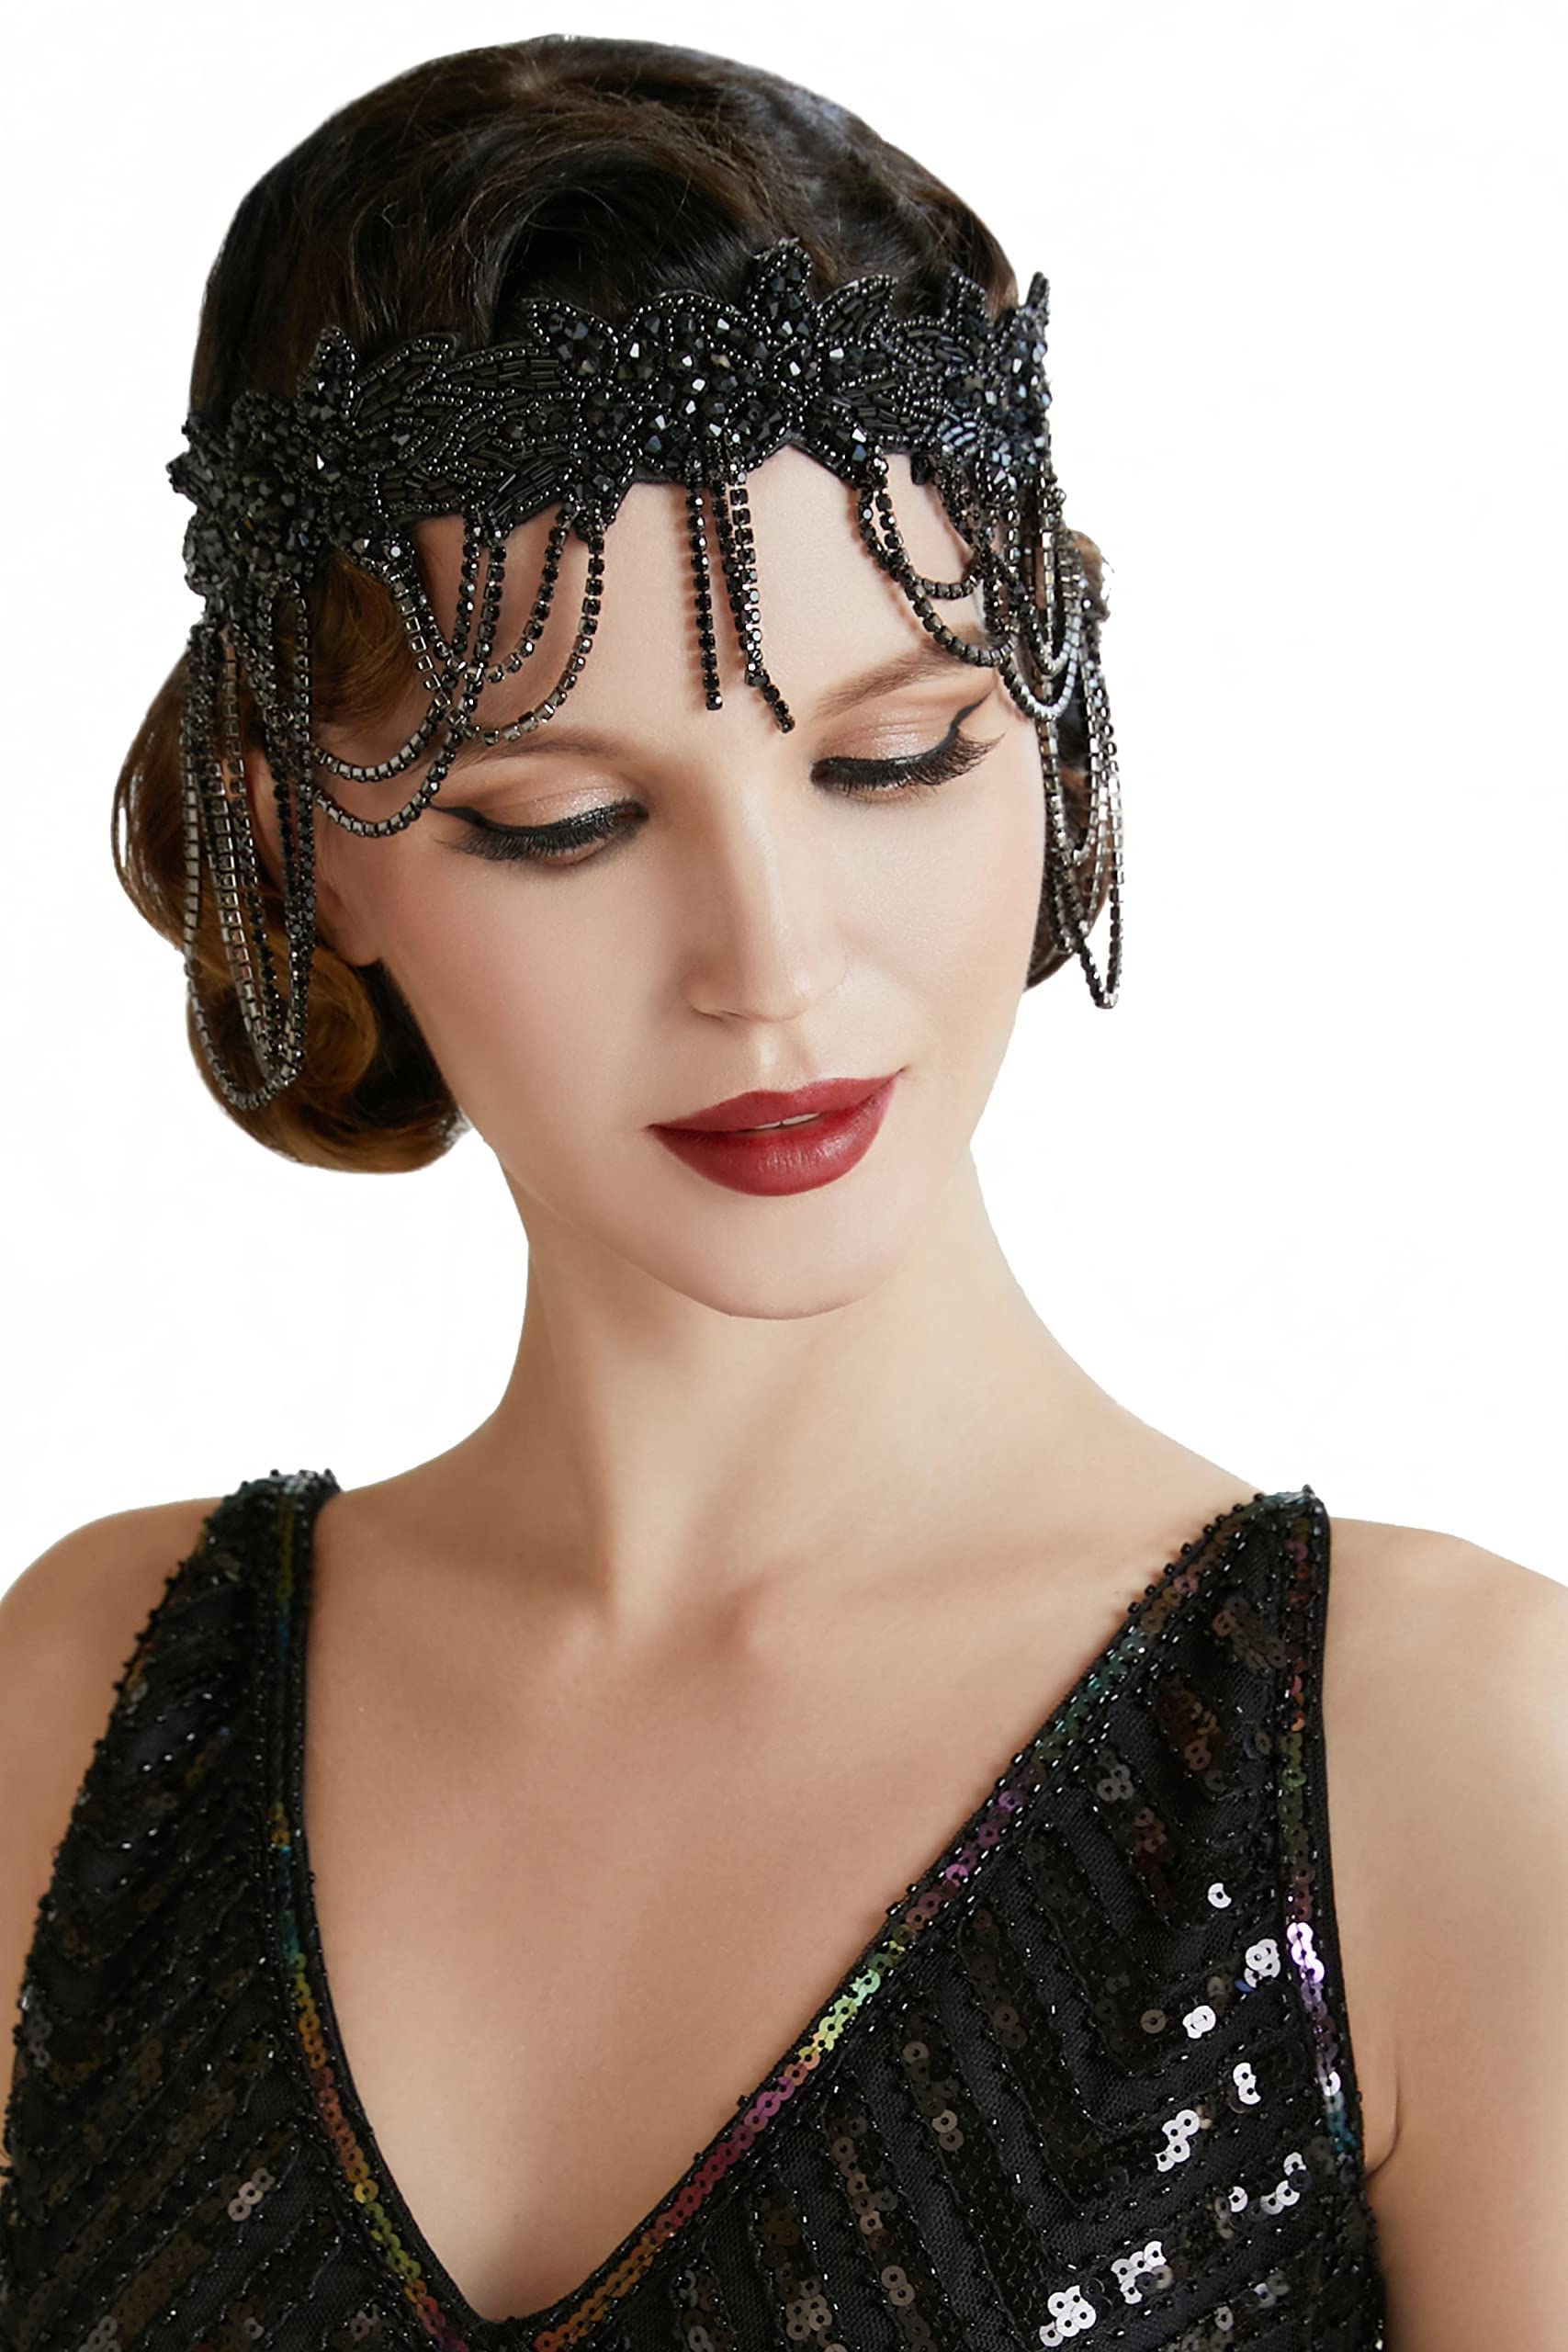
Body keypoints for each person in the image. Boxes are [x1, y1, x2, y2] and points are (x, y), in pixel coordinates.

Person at [1, 33, 1562, 2352]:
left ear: (1050, 719)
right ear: (304, 844)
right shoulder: (85, 1710)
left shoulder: (1450, 1765)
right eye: (563, 818)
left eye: (895, 757)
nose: (775, 965)